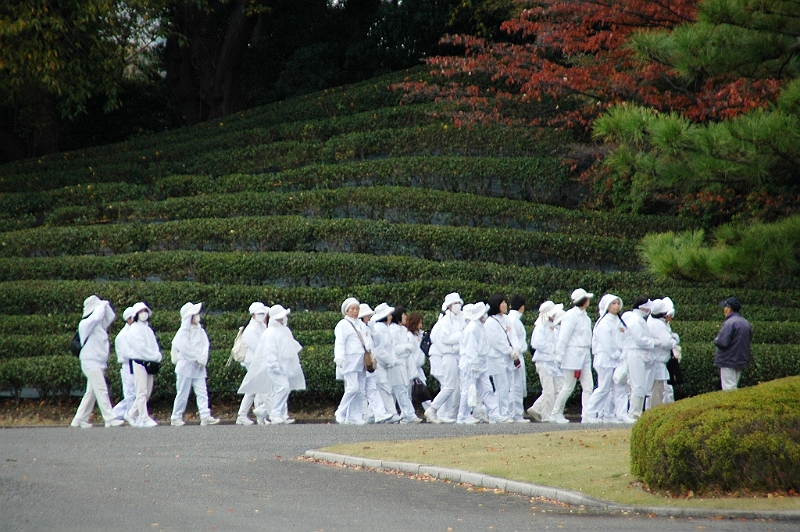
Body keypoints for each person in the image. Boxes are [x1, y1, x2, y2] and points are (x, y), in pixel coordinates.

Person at [71, 295, 124, 428]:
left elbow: (110, 316)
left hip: (98, 362)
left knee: (91, 393)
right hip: (90, 362)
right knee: (101, 389)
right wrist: (100, 306)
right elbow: (95, 317)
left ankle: (79, 419)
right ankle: (109, 418)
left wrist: (105, 305)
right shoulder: (85, 324)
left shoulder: (99, 325)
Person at [582, 294, 631, 423]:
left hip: (617, 359)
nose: (616, 306)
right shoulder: (604, 322)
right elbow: (606, 343)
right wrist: (616, 354)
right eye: (613, 303)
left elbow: (625, 338)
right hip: (605, 359)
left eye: (617, 303)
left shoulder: (619, 321)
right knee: (603, 388)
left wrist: (622, 354)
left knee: (619, 387)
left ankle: (619, 414)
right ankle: (590, 413)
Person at [169, 302, 219, 426]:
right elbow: (184, 347)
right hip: (185, 367)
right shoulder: (183, 332)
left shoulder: (200, 330)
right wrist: (196, 358)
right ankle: (176, 417)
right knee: (182, 393)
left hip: (199, 368)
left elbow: (205, 345)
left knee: (202, 392)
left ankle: (205, 415)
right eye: (195, 314)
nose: (197, 316)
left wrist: (202, 359)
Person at [550, 288, 594, 424]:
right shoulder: (570, 316)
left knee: (588, 386)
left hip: (584, 354)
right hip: (572, 354)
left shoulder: (585, 317)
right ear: (584, 300)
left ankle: (587, 414)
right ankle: (556, 413)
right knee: (568, 386)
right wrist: (559, 356)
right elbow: (564, 337)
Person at [456, 302, 505, 424]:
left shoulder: (480, 326)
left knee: (487, 389)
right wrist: (473, 364)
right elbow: (470, 348)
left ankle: (494, 414)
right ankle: (462, 416)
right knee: (468, 390)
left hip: (481, 363)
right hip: (471, 364)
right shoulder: (472, 328)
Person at [373, 303, 421, 423]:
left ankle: (378, 414)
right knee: (397, 389)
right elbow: (387, 349)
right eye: (404, 314)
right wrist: (399, 354)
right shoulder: (388, 330)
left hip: (398, 363)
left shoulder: (396, 329)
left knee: (394, 390)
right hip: (392, 364)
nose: (405, 317)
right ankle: (407, 414)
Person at [260, 305, 305, 424]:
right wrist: (273, 364)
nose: (283, 319)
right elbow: (269, 350)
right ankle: (275, 414)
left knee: (284, 389)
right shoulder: (271, 332)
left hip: (285, 366)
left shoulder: (284, 330)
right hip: (276, 367)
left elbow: (290, 344)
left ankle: (264, 410)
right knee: (283, 388)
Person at [425, 293, 464, 424]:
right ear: (449, 306)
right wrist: (460, 336)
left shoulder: (461, 318)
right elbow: (445, 339)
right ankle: (432, 409)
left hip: (457, 354)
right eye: (455, 303)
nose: (458, 305)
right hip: (449, 356)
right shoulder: (445, 321)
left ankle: (452, 414)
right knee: (449, 386)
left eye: (459, 303)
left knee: (458, 387)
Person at [124, 302, 163, 428]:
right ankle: (144, 418)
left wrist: (156, 356)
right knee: (141, 392)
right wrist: (155, 356)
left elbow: (153, 345)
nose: (143, 314)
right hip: (139, 362)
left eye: (145, 311)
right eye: (140, 312)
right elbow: (141, 349)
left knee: (147, 392)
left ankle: (130, 414)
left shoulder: (148, 329)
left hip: (149, 363)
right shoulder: (134, 329)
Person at [622, 297, 660, 419]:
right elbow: (640, 340)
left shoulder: (636, 319)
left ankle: (636, 412)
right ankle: (634, 413)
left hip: (638, 353)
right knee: (638, 385)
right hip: (635, 353)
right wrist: (653, 342)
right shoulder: (635, 320)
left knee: (639, 384)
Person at [527, 301, 564, 422]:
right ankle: (547, 415)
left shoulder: (552, 327)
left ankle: (537, 408)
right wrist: (552, 348)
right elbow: (536, 343)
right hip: (543, 362)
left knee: (558, 388)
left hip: (552, 362)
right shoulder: (540, 328)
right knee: (549, 390)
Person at [333, 297, 368, 425]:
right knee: (353, 388)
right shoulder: (343, 324)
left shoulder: (361, 324)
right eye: (352, 309)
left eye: (357, 308)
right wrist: (339, 358)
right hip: (349, 360)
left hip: (361, 360)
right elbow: (340, 342)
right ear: (346, 310)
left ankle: (355, 416)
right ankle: (340, 411)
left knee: (359, 390)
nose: (355, 311)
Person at [359, 304, 395, 424]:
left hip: (369, 362)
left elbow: (377, 342)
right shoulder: (356, 327)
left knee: (372, 388)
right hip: (361, 362)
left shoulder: (370, 327)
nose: (369, 317)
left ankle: (376, 414)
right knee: (358, 390)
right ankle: (362, 415)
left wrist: (372, 329)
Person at [484, 294, 517, 422]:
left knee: (508, 386)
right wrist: (509, 351)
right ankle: (499, 413)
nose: (504, 305)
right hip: (496, 359)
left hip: (508, 358)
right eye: (501, 303)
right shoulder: (490, 322)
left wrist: (515, 349)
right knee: (501, 387)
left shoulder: (506, 319)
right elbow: (496, 341)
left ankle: (506, 412)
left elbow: (512, 335)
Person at [236, 302, 270, 425]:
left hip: (260, 362)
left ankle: (257, 416)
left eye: (263, 313)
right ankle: (243, 415)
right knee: (254, 389)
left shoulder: (262, 327)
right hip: (253, 362)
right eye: (259, 313)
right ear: (253, 315)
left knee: (256, 389)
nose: (262, 316)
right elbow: (258, 348)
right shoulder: (250, 330)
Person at [714, 296, 753, 390]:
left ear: (729, 309)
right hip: (740, 359)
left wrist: (715, 340)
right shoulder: (746, 322)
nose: (724, 310)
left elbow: (722, 342)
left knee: (728, 388)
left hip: (728, 360)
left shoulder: (730, 322)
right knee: (734, 385)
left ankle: (730, 405)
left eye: (725, 307)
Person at [647, 298, 679, 408]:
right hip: (658, 361)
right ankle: (654, 411)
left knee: (660, 389)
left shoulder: (656, 321)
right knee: (658, 390)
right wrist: (675, 339)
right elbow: (667, 342)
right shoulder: (658, 324)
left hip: (658, 361)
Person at [507, 295, 530, 423]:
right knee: (516, 385)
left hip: (515, 354)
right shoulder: (515, 321)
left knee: (515, 385)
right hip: (516, 355)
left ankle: (514, 412)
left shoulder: (510, 319)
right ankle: (516, 414)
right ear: (522, 307)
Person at [111, 307, 136, 421]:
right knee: (130, 393)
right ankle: (131, 416)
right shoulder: (122, 336)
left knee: (137, 393)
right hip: (128, 366)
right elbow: (127, 354)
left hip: (136, 365)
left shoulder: (136, 332)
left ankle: (116, 414)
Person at [404, 312, 431, 412]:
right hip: (411, 367)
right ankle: (408, 413)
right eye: (419, 323)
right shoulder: (409, 336)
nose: (421, 325)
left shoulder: (419, 334)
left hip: (418, 367)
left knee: (422, 388)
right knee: (408, 391)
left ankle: (429, 411)